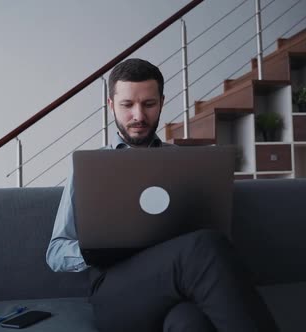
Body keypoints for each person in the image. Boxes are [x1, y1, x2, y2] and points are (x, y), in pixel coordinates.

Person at [46, 58, 278, 332]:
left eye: (148, 104)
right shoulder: (89, 166)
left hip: (175, 285)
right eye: (127, 105)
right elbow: (56, 252)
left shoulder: (184, 164)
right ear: (111, 105)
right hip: (115, 291)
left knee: (189, 322)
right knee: (203, 247)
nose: (139, 116)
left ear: (162, 102)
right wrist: (97, 249)